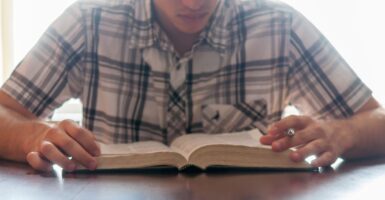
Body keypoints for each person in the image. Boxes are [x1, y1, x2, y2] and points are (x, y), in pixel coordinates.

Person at [0, 0, 384, 172]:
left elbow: (377, 120)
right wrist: (34, 136)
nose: (192, 2)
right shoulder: (88, 21)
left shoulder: (280, 26)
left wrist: (340, 134)